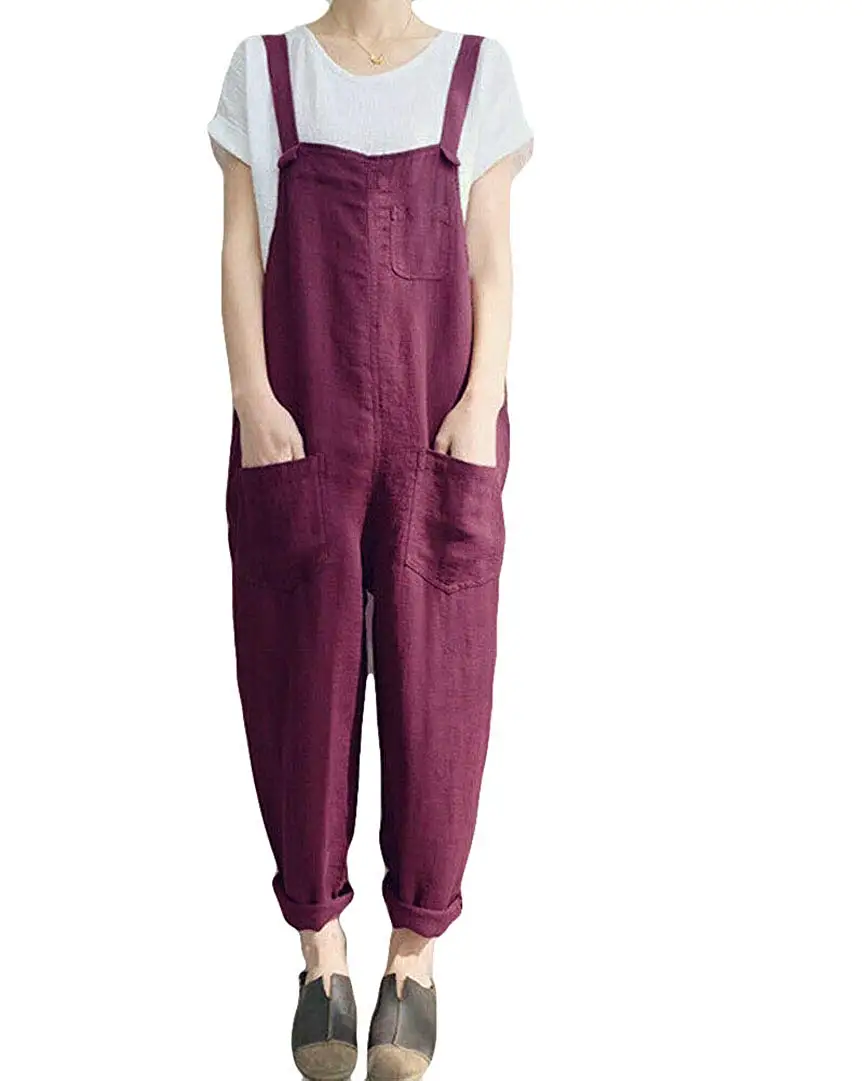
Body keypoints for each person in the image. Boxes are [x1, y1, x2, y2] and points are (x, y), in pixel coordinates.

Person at [208, 3, 533, 1078]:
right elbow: (240, 246)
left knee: (443, 683)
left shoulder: (477, 72)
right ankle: (320, 946)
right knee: (297, 676)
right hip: (298, 419)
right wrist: (253, 399)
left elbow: (491, 257)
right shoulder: (266, 72)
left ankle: (414, 952)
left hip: (442, 423)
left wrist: (481, 400)